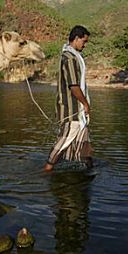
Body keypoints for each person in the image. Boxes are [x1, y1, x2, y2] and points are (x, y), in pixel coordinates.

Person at [44, 25, 93, 172]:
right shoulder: (70, 58)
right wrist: (85, 104)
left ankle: (90, 167)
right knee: (65, 138)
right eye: (84, 41)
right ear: (76, 39)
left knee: (84, 143)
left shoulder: (72, 56)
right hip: (71, 108)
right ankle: (47, 168)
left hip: (76, 109)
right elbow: (74, 86)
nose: (84, 45)